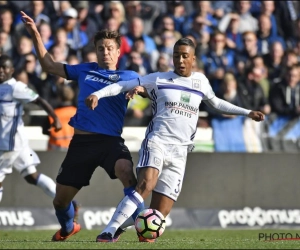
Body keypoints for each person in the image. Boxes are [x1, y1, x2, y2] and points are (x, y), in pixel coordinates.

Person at [85, 37, 265, 242]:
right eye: (176, 55)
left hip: (181, 151)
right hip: (158, 142)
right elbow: (123, 85)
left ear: (193, 59)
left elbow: (216, 103)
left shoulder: (201, 82)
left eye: (184, 56)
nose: (180, 60)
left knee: (156, 219)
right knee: (145, 184)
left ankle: (121, 227)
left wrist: (247, 112)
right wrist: (98, 95)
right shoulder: (159, 78)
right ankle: (109, 229)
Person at [20, 11, 145, 242]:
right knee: (60, 201)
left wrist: (140, 90)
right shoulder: (85, 70)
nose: (105, 52)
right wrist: (36, 34)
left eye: (109, 48)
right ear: (96, 51)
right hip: (82, 143)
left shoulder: (129, 75)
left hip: (110, 142)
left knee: (128, 173)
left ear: (118, 51)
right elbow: (48, 65)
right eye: (101, 48)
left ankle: (142, 229)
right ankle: (68, 227)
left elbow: (150, 90)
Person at [0, 54, 61, 203]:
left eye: (4, 67)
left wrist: (55, 118)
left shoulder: (16, 87)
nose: (1, 70)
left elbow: (39, 100)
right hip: (18, 143)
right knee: (31, 176)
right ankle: (66, 202)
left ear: (11, 70)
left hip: (9, 144)